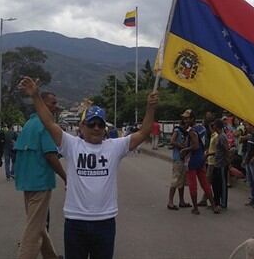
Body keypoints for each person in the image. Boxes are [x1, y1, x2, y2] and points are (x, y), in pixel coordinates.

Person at [18, 75, 158, 259]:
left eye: (100, 124)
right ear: (82, 126)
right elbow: (48, 122)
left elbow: (144, 132)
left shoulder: (115, 147)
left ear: (105, 128)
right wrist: (36, 96)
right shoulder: (72, 145)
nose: (96, 128)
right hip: (75, 222)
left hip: (105, 222)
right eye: (92, 123)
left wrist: (150, 108)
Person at [15, 91, 66, 259]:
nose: (55, 106)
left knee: (38, 224)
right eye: (52, 103)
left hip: (26, 183)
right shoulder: (45, 126)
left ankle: (51, 256)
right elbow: (51, 155)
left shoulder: (29, 124)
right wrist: (67, 178)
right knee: (33, 230)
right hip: (40, 183)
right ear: (42, 104)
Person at [182, 109, 217, 214]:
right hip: (201, 157)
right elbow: (205, 142)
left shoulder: (192, 131)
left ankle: (195, 208)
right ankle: (213, 206)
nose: (185, 120)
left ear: (192, 118)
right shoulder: (202, 128)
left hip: (192, 159)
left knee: (193, 185)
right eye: (185, 118)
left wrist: (185, 149)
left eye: (187, 118)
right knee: (205, 183)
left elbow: (195, 145)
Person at [166, 115, 188, 210]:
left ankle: (181, 201)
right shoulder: (177, 130)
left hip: (183, 159)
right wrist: (181, 146)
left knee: (182, 181)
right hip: (178, 158)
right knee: (175, 180)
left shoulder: (185, 132)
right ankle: (170, 202)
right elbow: (172, 141)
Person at [210, 119, 230, 210]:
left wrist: (227, 163)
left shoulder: (222, 137)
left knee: (222, 184)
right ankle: (216, 201)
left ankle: (223, 203)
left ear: (217, 126)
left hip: (222, 164)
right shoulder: (218, 136)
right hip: (217, 163)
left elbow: (226, 150)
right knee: (215, 184)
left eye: (214, 125)